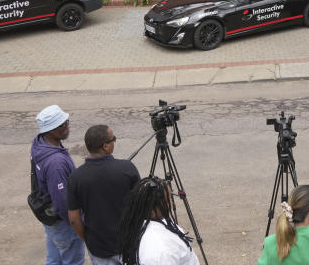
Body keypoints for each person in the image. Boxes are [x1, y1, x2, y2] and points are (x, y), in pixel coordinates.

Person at [67, 124, 141, 265]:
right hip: (129, 244)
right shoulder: (127, 168)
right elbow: (141, 205)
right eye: (113, 139)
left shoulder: (75, 177)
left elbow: (74, 219)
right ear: (105, 146)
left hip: (99, 248)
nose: (115, 141)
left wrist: (88, 239)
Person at [31, 104, 85, 265]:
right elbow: (62, 203)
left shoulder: (39, 143)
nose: (68, 126)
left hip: (50, 220)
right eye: (63, 124)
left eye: (67, 121)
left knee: (54, 259)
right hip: (63, 224)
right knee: (73, 261)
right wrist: (77, 224)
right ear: (51, 129)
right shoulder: (56, 163)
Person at [118, 176, 198, 265]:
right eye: (168, 200)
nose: (172, 203)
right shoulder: (162, 250)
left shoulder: (136, 224)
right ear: (152, 211)